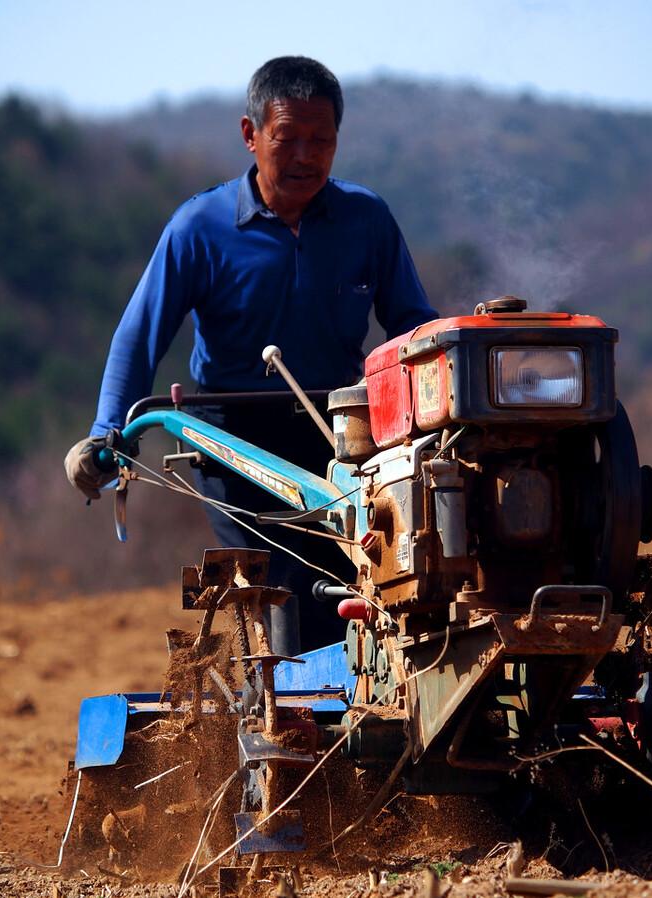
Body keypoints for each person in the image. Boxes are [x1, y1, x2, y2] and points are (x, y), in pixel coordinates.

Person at [65, 56, 437, 654]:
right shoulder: (198, 227)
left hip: (339, 431)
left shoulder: (367, 220)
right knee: (286, 588)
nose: (306, 157)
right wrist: (110, 431)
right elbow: (139, 335)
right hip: (233, 443)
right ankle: (293, 718)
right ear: (251, 135)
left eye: (323, 141)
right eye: (288, 139)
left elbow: (413, 327)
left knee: (379, 578)